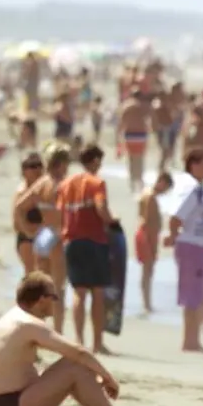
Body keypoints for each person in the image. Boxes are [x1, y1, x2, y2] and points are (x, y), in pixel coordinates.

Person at [0, 271, 135, 406]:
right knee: (74, 365)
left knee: (75, 368)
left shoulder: (12, 318)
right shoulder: (28, 323)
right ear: (42, 300)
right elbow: (78, 352)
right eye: (55, 297)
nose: (58, 302)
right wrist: (108, 377)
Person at [164, 149, 203, 352]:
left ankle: (193, 338)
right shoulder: (190, 188)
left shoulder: (198, 188)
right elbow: (176, 217)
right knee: (193, 295)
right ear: (193, 164)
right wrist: (172, 236)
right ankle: (190, 341)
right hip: (194, 248)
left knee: (201, 294)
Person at [57, 143, 115, 354]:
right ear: (96, 160)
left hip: (71, 241)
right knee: (97, 292)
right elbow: (101, 209)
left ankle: (79, 341)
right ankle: (98, 343)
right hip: (94, 241)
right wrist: (112, 221)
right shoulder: (96, 183)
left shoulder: (66, 184)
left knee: (78, 292)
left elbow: (61, 212)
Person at [15, 143, 72, 334]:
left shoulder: (42, 183)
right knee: (57, 289)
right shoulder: (63, 184)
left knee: (41, 289)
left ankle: (37, 327)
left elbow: (20, 206)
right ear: (62, 163)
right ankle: (57, 332)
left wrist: (28, 231)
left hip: (42, 236)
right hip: (57, 235)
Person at [135, 172, 174, 313]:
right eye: (166, 188)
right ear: (161, 182)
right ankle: (147, 304)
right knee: (147, 270)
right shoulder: (151, 197)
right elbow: (148, 221)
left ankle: (147, 302)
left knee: (147, 270)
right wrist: (152, 244)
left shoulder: (146, 193)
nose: (165, 192)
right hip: (147, 236)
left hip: (146, 234)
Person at [13, 153, 45, 275]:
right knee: (31, 273)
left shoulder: (44, 189)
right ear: (24, 171)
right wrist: (30, 232)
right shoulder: (21, 192)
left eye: (39, 165)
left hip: (42, 236)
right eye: (32, 166)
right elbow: (16, 223)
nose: (37, 169)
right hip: (27, 238)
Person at [117, 88, 151, 193]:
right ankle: (139, 179)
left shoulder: (126, 105)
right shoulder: (143, 106)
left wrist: (118, 136)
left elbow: (122, 122)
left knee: (131, 158)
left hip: (130, 134)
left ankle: (132, 179)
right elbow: (148, 120)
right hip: (140, 134)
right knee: (139, 158)